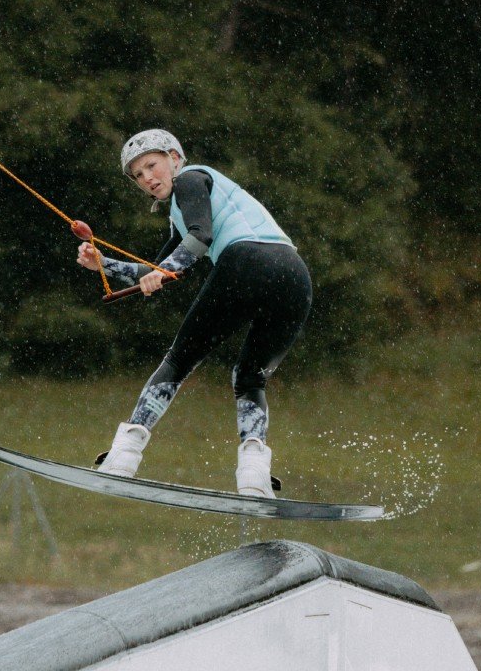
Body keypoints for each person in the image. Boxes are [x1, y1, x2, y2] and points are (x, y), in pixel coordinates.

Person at [76, 129, 312, 497]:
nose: (147, 178)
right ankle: (254, 476)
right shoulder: (183, 211)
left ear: (174, 158)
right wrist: (103, 264)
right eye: (138, 175)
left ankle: (124, 456)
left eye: (151, 165)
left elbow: (200, 238)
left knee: (178, 361)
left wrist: (163, 271)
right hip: (295, 278)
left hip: (248, 260)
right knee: (250, 378)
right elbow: (160, 268)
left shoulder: (190, 178)